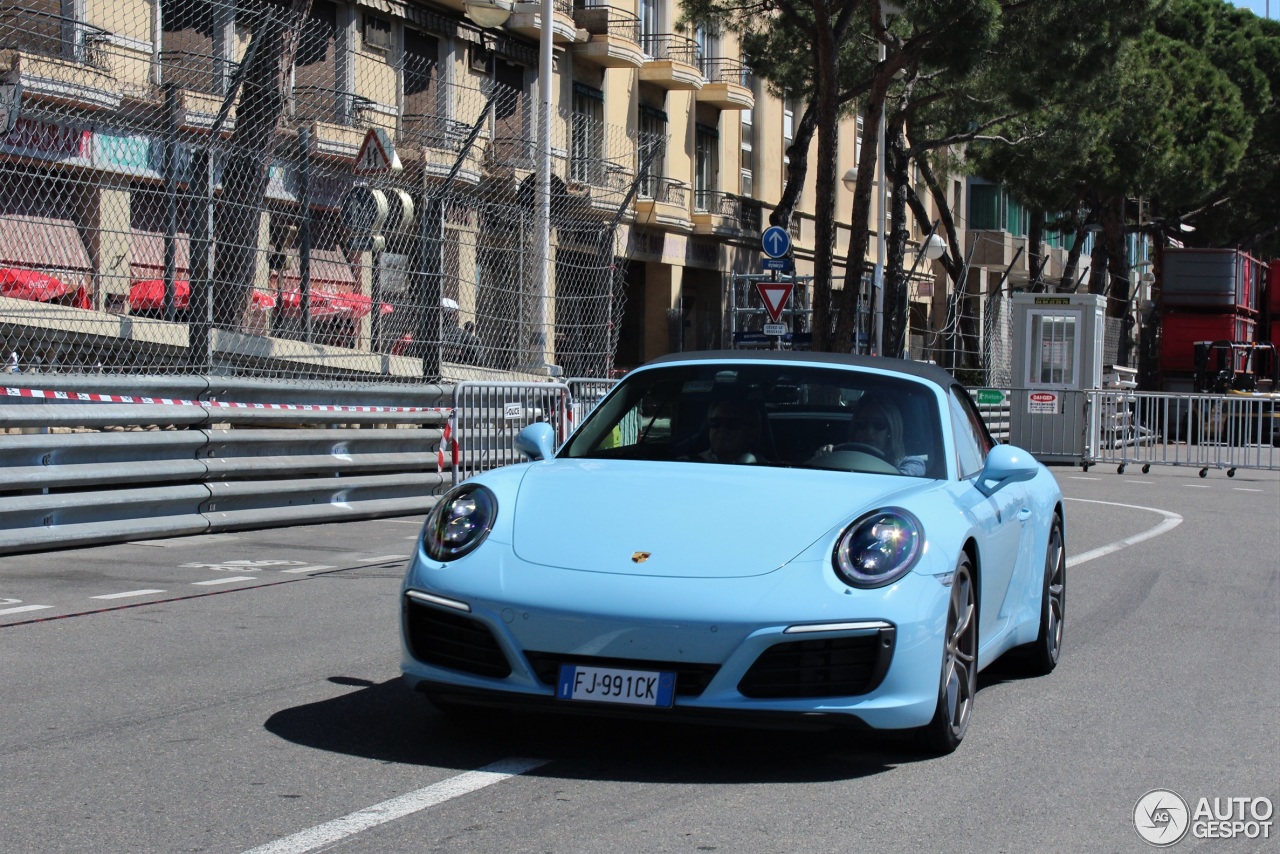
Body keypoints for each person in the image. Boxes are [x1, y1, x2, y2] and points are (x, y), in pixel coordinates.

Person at [823, 392, 927, 476]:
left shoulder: (911, 464)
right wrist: (827, 458)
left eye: (878, 425)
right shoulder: (841, 457)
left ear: (891, 430)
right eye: (862, 424)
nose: (869, 431)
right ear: (855, 430)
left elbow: (902, 485)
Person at [695, 397, 767, 464]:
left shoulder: (765, 468)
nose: (722, 429)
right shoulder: (690, 463)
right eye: (716, 422)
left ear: (750, 431)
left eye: (732, 424)